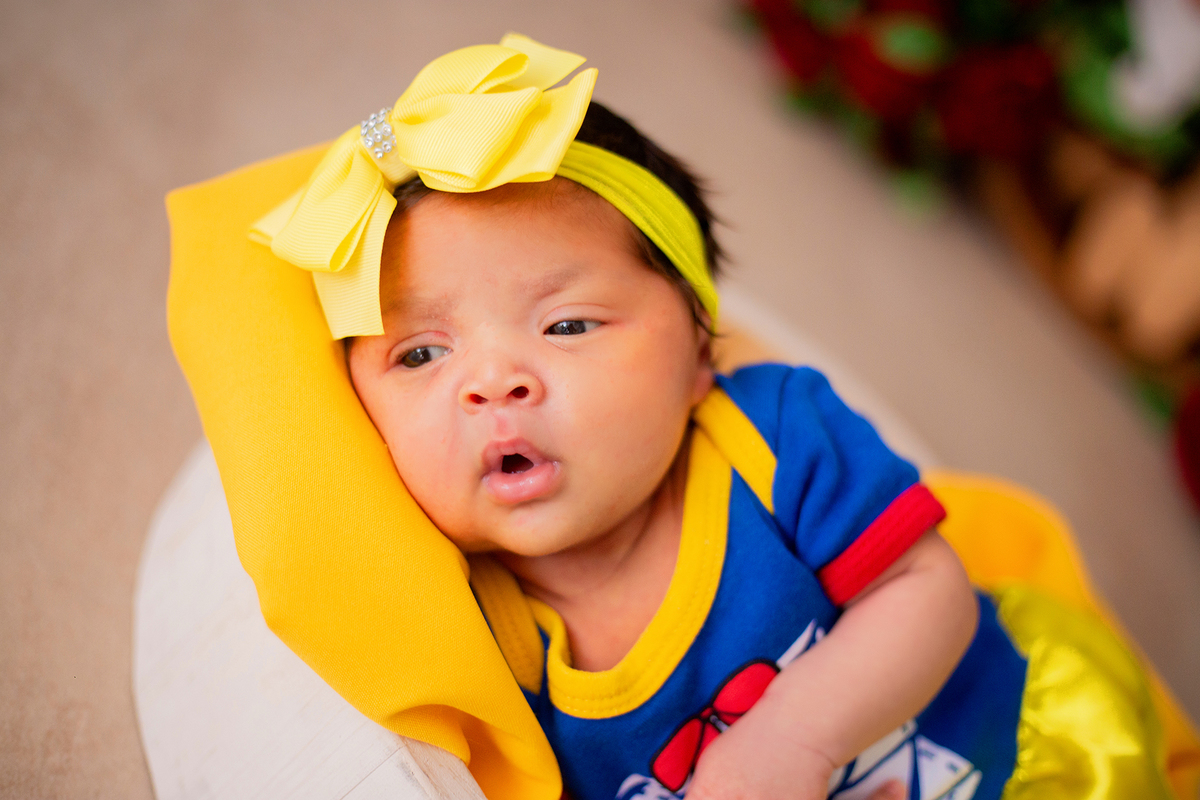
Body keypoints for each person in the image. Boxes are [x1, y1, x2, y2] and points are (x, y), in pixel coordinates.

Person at [232, 34, 1180, 800]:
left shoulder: (769, 435)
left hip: (1013, 747)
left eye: (566, 323)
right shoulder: (482, 635)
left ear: (700, 355)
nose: (494, 383)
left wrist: (799, 739)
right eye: (421, 354)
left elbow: (925, 590)